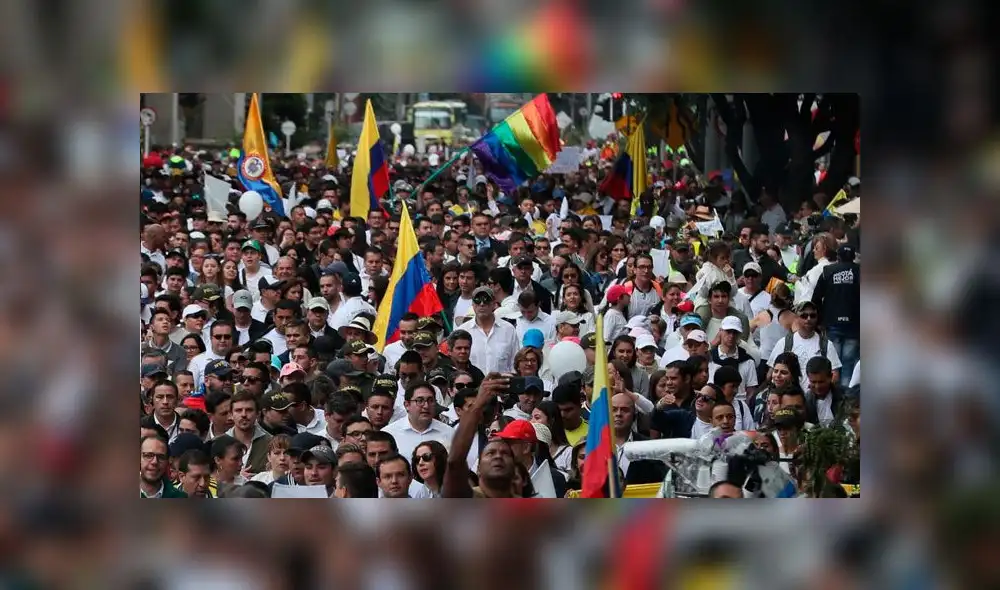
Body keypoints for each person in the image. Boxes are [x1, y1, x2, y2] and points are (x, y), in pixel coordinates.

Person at [811, 244, 860, 388]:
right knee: (848, 362)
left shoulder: (828, 271)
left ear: (838, 257)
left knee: (833, 363)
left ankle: (834, 392)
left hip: (832, 322)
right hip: (854, 324)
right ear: (853, 257)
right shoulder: (860, 271)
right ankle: (846, 394)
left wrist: (819, 320)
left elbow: (816, 298)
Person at [768, 301, 841, 391]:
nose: (808, 319)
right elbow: (771, 373)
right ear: (796, 318)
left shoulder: (826, 345)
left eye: (812, 316)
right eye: (804, 316)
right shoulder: (784, 343)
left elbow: (834, 375)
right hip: (790, 396)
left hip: (816, 396)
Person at [382, 381, 455, 461]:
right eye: (420, 401)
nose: (426, 406)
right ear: (407, 405)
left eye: (430, 400)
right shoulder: (389, 434)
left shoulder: (449, 433)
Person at [456, 286, 519, 374]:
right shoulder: (463, 331)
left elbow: (515, 364)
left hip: (502, 381)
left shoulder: (509, 330)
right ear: (473, 304)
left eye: (486, 300)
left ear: (494, 304)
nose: (482, 304)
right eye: (477, 300)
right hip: (473, 382)